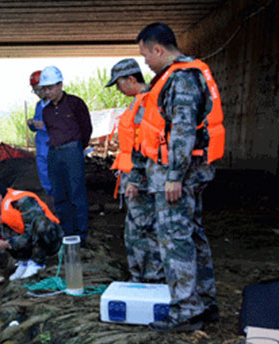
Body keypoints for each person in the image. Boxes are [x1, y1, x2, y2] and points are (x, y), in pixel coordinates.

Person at [136, 22, 225, 332]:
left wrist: (174, 176)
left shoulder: (182, 78)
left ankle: (186, 310)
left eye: (146, 55)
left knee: (175, 242)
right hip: (189, 174)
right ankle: (204, 303)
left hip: (177, 177)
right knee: (192, 237)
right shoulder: (184, 75)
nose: (145, 62)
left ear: (158, 49)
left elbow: (183, 131)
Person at [106, 58, 164, 284]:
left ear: (131, 79)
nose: (118, 89)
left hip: (143, 181)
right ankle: (140, 276)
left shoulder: (147, 102)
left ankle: (151, 279)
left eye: (119, 84)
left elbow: (144, 148)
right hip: (136, 178)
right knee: (135, 231)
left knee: (144, 232)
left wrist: (135, 181)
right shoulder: (138, 102)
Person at [38, 66, 92, 242]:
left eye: (51, 87)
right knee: (59, 193)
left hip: (72, 150)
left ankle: (81, 233)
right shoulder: (46, 111)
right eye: (45, 88)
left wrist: (77, 148)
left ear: (60, 85)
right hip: (54, 153)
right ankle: (67, 232)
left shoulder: (75, 103)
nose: (48, 91)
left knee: (76, 192)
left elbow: (86, 128)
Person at [26, 70, 53, 195]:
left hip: (53, 146)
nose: (37, 93)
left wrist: (44, 126)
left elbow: (63, 127)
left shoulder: (56, 104)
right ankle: (49, 195)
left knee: (55, 176)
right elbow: (36, 127)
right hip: (41, 147)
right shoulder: (39, 105)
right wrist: (32, 125)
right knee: (43, 173)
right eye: (35, 91)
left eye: (39, 90)